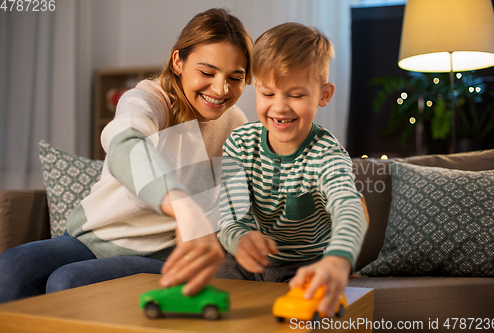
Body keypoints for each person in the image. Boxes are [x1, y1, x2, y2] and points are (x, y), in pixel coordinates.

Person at [0, 8, 253, 303]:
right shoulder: (148, 99)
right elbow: (125, 144)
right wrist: (183, 206)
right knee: (9, 269)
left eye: (235, 77)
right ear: (178, 62)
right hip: (90, 239)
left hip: (159, 254)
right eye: (207, 72)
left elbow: (240, 201)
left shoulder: (236, 125)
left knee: (69, 282)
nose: (221, 89)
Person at [215, 22, 369, 316]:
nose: (280, 107)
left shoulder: (327, 154)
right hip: (246, 262)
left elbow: (349, 207)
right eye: (268, 94)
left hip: (306, 264)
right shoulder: (238, 144)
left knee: (307, 312)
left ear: (324, 95)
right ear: (256, 88)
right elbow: (230, 217)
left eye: (296, 95)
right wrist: (241, 238)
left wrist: (338, 260)